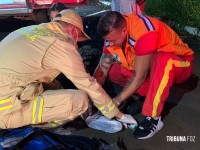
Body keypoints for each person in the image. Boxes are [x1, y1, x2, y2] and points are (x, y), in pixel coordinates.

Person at [0, 10, 137, 129]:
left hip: (8, 89)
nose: (76, 42)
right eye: (78, 38)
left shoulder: (30, 31)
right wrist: (117, 114)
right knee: (80, 100)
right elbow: (87, 83)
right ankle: (45, 127)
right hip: (5, 110)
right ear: (73, 30)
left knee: (56, 86)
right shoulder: (59, 43)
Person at [94, 11, 194, 139]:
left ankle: (154, 118)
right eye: (107, 41)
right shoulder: (112, 36)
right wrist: (92, 96)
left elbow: (139, 76)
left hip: (180, 64)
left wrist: (116, 100)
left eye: (113, 40)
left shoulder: (144, 32)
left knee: (163, 60)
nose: (110, 44)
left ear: (124, 31)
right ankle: (149, 92)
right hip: (152, 70)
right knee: (114, 71)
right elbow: (102, 71)